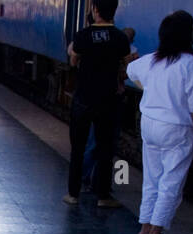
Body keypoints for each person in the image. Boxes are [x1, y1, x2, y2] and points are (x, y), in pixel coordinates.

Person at [127, 9, 193, 234]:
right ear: (186, 34)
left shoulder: (153, 60)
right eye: (192, 26)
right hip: (176, 129)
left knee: (152, 179)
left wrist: (150, 89)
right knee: (171, 183)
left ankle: (144, 228)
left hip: (150, 124)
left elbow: (131, 71)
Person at [63, 0, 130, 208]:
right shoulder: (120, 37)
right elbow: (126, 68)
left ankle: (73, 194)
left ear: (95, 10)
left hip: (83, 99)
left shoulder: (82, 35)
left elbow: (73, 61)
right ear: (114, 11)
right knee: (105, 149)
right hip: (108, 100)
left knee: (78, 148)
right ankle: (103, 196)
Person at [82, 25, 136, 189]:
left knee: (95, 142)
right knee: (105, 144)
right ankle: (97, 183)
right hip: (111, 101)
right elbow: (127, 74)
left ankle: (88, 178)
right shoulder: (125, 55)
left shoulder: (101, 50)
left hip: (99, 99)